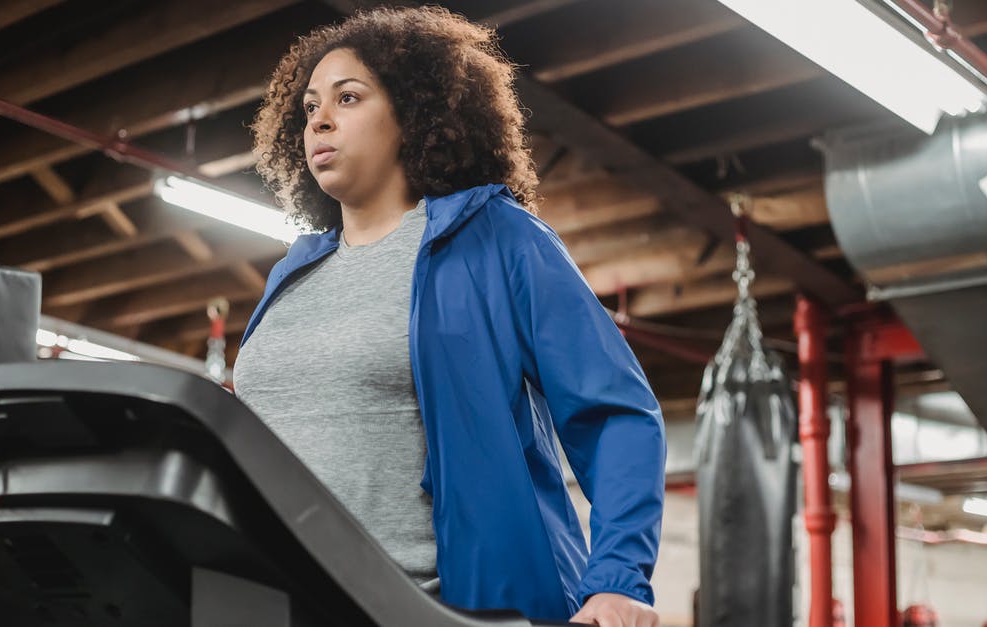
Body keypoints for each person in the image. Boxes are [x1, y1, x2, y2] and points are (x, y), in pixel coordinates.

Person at [233, 7, 665, 627]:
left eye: (348, 98)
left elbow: (614, 413)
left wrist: (620, 580)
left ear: (414, 114)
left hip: (441, 608)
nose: (320, 120)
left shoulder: (496, 239)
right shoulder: (291, 276)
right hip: (279, 606)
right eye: (308, 107)